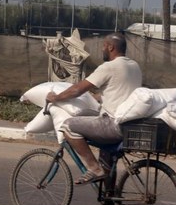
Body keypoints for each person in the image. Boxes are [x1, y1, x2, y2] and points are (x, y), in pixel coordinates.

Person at [46, 32, 142, 189]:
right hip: (129, 124)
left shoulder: (109, 67)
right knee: (107, 159)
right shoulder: (134, 66)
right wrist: (97, 97)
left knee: (68, 125)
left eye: (104, 46)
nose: (102, 49)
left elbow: (77, 89)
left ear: (111, 47)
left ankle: (93, 168)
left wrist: (56, 98)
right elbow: (119, 91)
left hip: (112, 125)